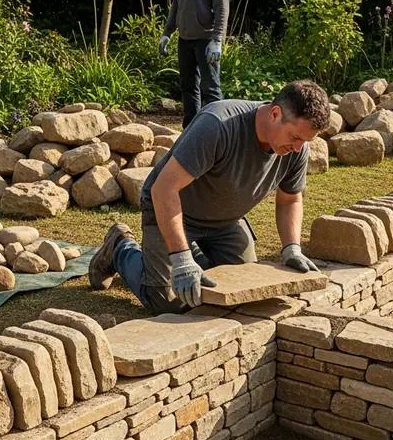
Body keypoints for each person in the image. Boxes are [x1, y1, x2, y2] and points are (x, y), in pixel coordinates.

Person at [88, 80, 331, 314]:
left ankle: (194, 255)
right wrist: (181, 260)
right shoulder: (218, 125)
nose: (299, 148)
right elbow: (164, 189)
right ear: (275, 113)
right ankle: (121, 247)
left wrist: (292, 248)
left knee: (243, 288)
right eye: (295, 137)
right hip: (173, 211)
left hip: (224, 222)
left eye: (306, 141)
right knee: (169, 302)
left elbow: (290, 199)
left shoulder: (297, 149)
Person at [159, 0, 229, 129]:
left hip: (206, 39)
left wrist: (217, 39)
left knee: (211, 88)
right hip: (184, 40)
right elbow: (176, 6)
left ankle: (216, 130)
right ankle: (191, 130)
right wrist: (167, 33)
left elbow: (222, 8)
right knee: (188, 86)